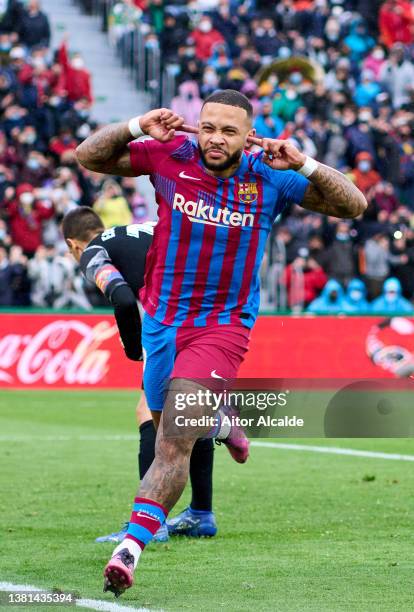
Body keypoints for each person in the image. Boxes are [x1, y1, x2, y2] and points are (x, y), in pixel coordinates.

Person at [75, 89, 367, 597]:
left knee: (172, 442)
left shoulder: (269, 176)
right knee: (165, 418)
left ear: (246, 134)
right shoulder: (169, 155)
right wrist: (136, 124)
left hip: (221, 328)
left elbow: (354, 205)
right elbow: (88, 156)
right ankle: (221, 421)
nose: (215, 138)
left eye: (228, 130)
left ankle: (130, 549)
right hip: (162, 322)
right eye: (208, 126)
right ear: (197, 126)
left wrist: (308, 163)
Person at [62, 207, 219, 541]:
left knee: (148, 410)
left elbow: (120, 296)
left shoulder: (93, 251)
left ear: (72, 244)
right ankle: (201, 514)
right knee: (194, 410)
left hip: (174, 316)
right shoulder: (136, 230)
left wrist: (133, 348)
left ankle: (154, 522)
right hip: (215, 311)